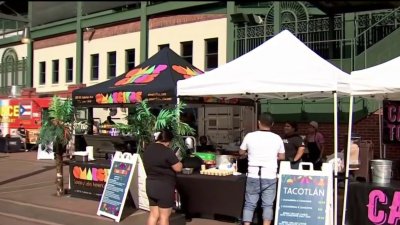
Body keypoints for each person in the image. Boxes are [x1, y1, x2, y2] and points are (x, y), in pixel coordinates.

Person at [239, 113, 285, 225]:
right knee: (268, 205)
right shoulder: (277, 138)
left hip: (253, 174)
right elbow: (282, 157)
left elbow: (241, 152)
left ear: (258, 122)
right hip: (270, 174)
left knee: (250, 203)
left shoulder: (250, 136)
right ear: (272, 124)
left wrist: (248, 153)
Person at [143, 129, 183, 225]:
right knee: (164, 217)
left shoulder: (148, 149)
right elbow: (178, 168)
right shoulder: (167, 151)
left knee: (153, 215)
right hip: (164, 187)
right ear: (169, 141)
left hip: (150, 185)